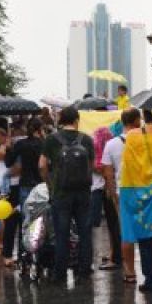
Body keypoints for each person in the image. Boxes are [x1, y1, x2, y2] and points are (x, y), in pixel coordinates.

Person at [40, 106, 96, 282]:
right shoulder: (86, 139)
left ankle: (60, 273)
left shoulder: (51, 139)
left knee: (61, 233)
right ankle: (84, 270)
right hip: (83, 193)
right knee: (85, 232)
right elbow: (91, 165)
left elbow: (41, 165)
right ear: (76, 120)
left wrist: (50, 184)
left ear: (61, 120)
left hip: (61, 193)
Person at [120, 109, 152, 292]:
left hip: (134, 189)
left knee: (143, 235)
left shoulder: (132, 136)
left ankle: (149, 278)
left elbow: (128, 163)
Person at [2, 118, 45, 266]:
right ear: (40, 130)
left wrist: (8, 147)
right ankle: (38, 253)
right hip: (41, 186)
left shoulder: (21, 144)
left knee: (25, 221)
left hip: (25, 185)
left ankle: (23, 255)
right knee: (40, 220)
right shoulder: (44, 144)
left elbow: (8, 162)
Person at [101, 110, 137, 285]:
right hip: (145, 190)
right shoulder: (143, 139)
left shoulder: (111, 144)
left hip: (124, 191)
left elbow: (108, 173)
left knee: (126, 232)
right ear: (137, 121)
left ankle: (130, 271)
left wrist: (112, 193)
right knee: (150, 232)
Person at [90, 126, 122, 271]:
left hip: (106, 188)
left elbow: (102, 170)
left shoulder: (104, 144)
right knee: (113, 223)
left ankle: (116, 257)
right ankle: (114, 254)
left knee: (113, 224)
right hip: (112, 187)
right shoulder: (114, 141)